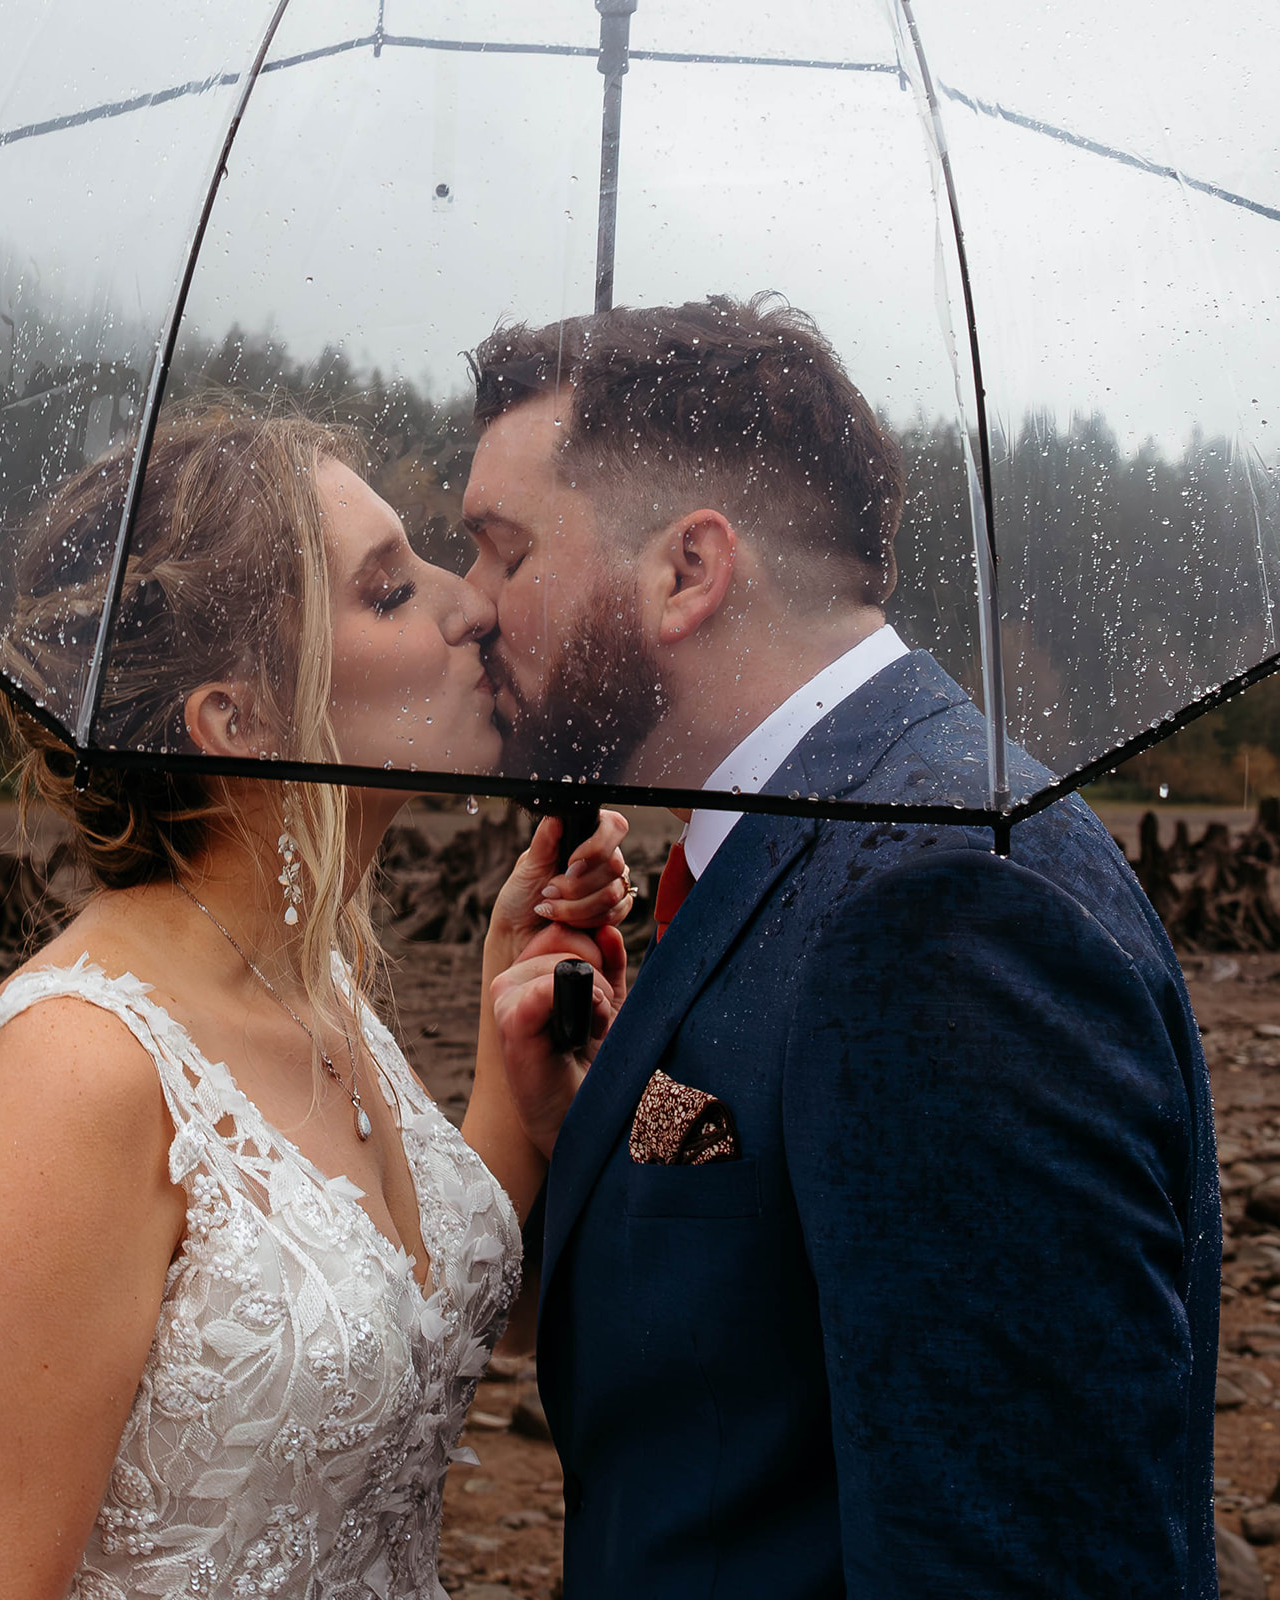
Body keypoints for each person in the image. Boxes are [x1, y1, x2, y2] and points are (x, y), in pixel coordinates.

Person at [466, 296, 1220, 1597]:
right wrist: (583, 1124)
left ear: (688, 573)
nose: (467, 610)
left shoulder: (943, 914)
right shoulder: (803, 839)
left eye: (502, 551)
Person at [0, 407, 631, 1600]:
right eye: (386, 593)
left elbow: (424, 1318)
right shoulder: (71, 1077)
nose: (469, 604)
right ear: (241, 718)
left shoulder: (315, 992)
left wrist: (512, 1082)